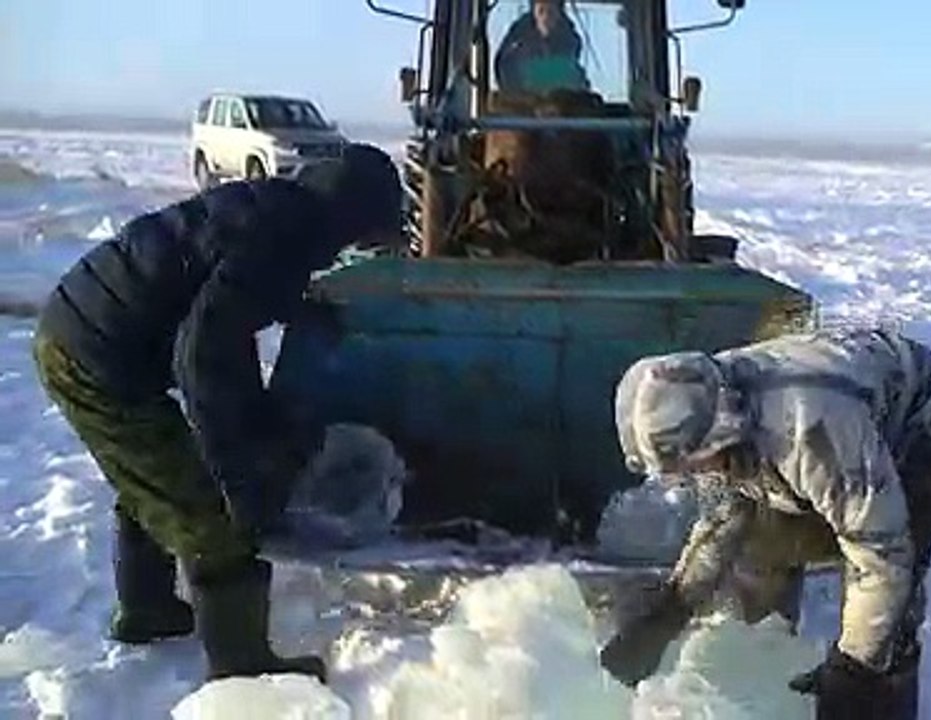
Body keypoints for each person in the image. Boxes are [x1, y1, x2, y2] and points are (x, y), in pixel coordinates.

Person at [32, 143, 403, 683]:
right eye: (366, 231)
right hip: (92, 357)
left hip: (83, 331)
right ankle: (242, 668)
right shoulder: (279, 237)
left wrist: (296, 308)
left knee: (157, 478)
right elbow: (203, 354)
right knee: (208, 516)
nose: (361, 244)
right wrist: (237, 468)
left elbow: (217, 283)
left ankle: (149, 613)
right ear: (350, 213)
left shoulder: (278, 210)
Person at [601, 327, 931, 719]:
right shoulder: (705, 406)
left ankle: (886, 699)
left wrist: (852, 669)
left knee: (889, 613)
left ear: (717, 437)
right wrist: (671, 608)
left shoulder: (811, 431)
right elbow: (723, 520)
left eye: (689, 465)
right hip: (843, 435)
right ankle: (767, 658)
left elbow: (881, 555)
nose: (688, 477)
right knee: (763, 546)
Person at [494, 0, 591, 94]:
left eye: (551, 12)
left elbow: (575, 86)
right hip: (521, 107)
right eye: (541, 11)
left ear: (559, 14)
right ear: (534, 13)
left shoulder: (570, 47)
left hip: (563, 107)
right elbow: (505, 79)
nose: (546, 18)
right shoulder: (514, 50)